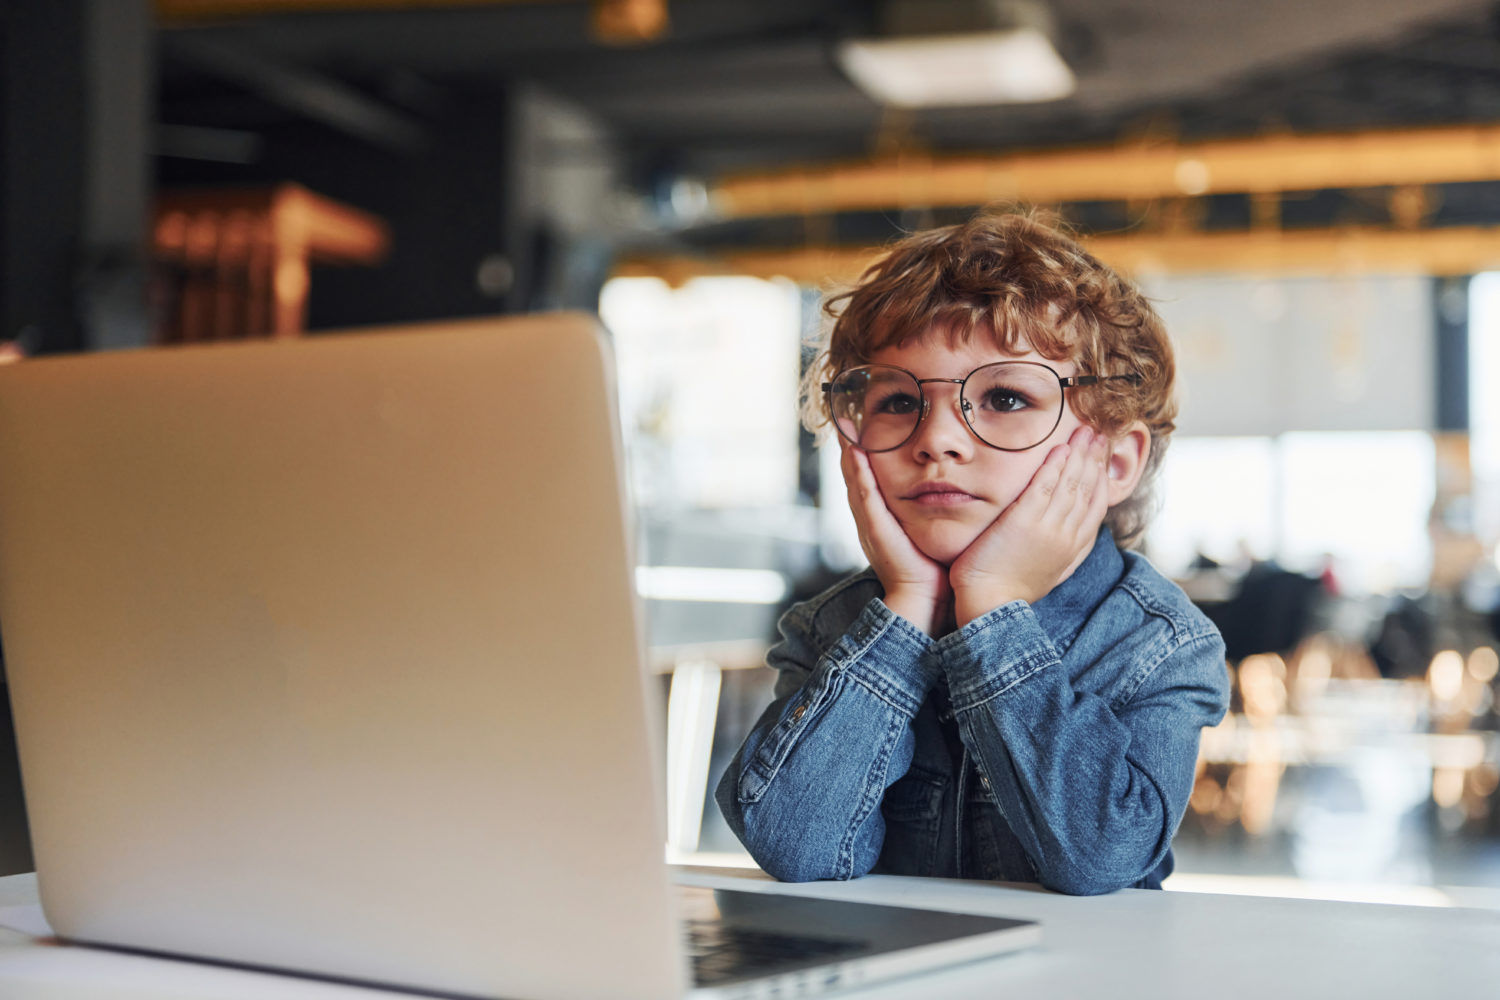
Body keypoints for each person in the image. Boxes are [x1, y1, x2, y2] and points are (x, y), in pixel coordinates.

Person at [715, 209, 1230, 896]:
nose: (938, 440)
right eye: (898, 401)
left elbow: (1100, 858)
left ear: (1113, 461)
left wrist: (990, 609)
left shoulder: (1159, 647)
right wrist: (904, 615)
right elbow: (798, 846)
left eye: (1006, 397)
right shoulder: (835, 626)